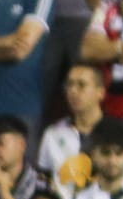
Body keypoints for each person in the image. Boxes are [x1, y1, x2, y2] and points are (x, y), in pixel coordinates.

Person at [38, 63, 107, 191]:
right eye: (69, 84)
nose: (73, 91)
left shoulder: (116, 132)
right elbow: (43, 176)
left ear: (100, 93)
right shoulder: (53, 133)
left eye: (81, 85)